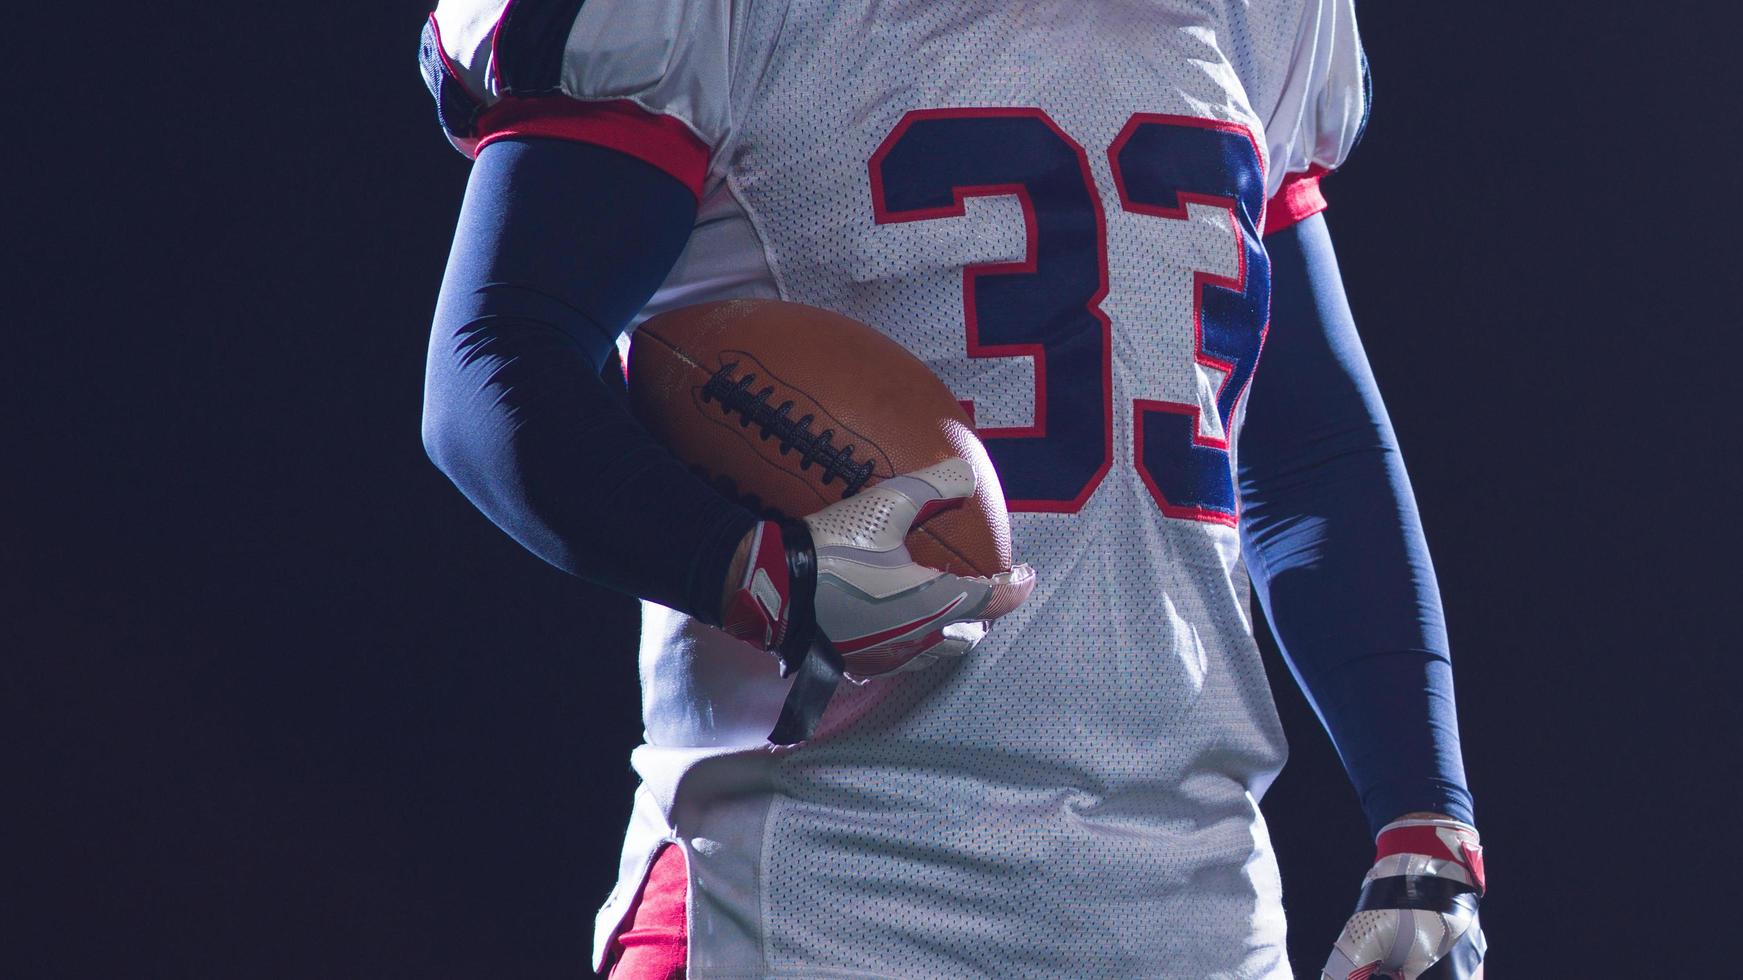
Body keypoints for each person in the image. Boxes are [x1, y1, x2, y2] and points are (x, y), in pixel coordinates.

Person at [418, 0, 1485, 976]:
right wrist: (762, 573)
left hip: (1186, 910)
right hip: (814, 895)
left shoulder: (1263, 20)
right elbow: (495, 359)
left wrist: (1426, 818)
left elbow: (1309, 450)